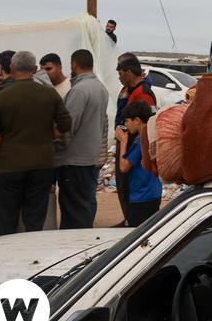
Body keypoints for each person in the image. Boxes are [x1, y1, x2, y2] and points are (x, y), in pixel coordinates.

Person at [0, 51, 71, 235]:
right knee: (35, 218)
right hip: (42, 163)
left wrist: (7, 142)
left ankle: (7, 255)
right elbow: (65, 123)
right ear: (35, 69)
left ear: (12, 68)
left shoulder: (1, 97)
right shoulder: (49, 94)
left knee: (7, 218)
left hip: (10, 164)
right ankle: (33, 256)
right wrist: (49, 135)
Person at [54, 49, 109, 229]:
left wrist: (56, 148)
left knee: (73, 212)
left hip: (74, 160)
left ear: (74, 64)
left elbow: (67, 126)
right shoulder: (100, 88)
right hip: (89, 158)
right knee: (83, 207)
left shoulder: (79, 90)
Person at [114, 53, 156, 221]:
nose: (119, 77)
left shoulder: (144, 93)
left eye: (121, 73)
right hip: (125, 141)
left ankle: (132, 220)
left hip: (133, 145)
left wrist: (128, 141)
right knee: (123, 184)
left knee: (131, 182)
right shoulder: (126, 90)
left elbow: (149, 123)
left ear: (129, 72)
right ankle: (128, 217)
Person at [115, 101, 161, 227]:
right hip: (154, 193)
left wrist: (123, 141)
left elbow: (124, 167)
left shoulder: (140, 142)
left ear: (137, 120)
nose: (125, 125)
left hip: (141, 197)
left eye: (127, 121)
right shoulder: (152, 136)